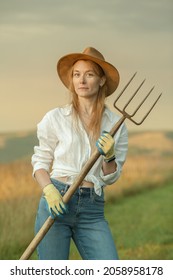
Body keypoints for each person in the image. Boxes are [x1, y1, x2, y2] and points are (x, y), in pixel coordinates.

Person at [31, 47, 128, 260]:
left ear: (102, 81)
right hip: (56, 201)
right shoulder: (56, 117)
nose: (81, 80)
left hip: (92, 209)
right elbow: (40, 162)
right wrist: (49, 190)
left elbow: (110, 176)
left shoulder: (115, 124)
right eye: (77, 74)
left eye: (89, 74)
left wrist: (109, 156)